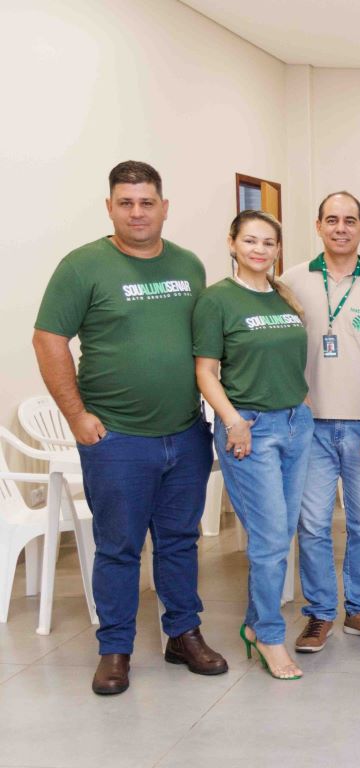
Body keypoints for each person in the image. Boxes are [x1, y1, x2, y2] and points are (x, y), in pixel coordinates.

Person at [33, 160, 227, 695]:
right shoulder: (83, 267)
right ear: (110, 207)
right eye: (126, 202)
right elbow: (49, 340)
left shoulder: (188, 265)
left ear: (164, 206)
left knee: (179, 542)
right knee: (118, 546)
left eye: (147, 202)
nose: (137, 212)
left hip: (186, 433)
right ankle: (115, 648)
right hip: (117, 439)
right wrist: (77, 416)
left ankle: (183, 634)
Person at [279, 191, 360, 653]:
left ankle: (359, 610)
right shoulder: (290, 282)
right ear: (318, 225)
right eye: (332, 219)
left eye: (350, 220)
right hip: (308, 427)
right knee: (312, 524)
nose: (341, 227)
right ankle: (318, 614)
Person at [193, 210, 311, 680]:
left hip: (296, 424)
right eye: (251, 241)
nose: (260, 250)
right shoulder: (216, 300)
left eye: (269, 242)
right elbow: (205, 371)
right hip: (250, 430)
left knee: (280, 535)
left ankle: (252, 625)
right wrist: (233, 421)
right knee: (268, 539)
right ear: (232, 243)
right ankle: (268, 633)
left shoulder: (284, 297)